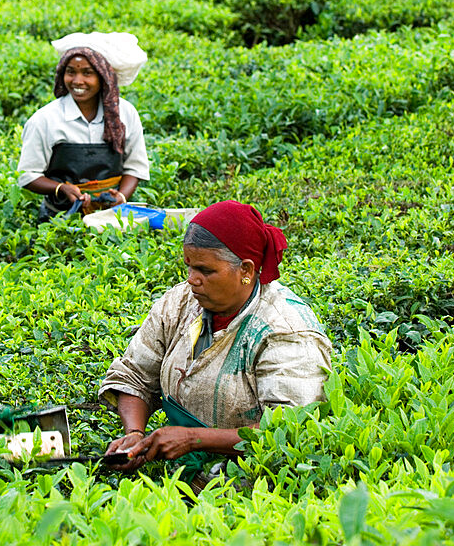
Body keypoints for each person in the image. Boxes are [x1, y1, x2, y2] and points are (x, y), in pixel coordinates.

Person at [100, 200, 332, 472]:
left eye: (205, 271)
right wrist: (135, 433)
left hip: (252, 479)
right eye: (189, 266)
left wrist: (195, 440)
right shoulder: (179, 303)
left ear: (245, 270)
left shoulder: (285, 330)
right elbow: (135, 375)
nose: (191, 279)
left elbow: (291, 427)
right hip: (181, 472)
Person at [17, 34, 150, 223]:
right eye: (70, 72)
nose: (78, 80)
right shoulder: (45, 119)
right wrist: (61, 188)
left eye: (87, 73)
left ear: (103, 77)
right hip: (60, 219)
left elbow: (135, 167)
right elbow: (28, 176)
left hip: (113, 218)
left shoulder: (125, 113)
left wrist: (121, 197)